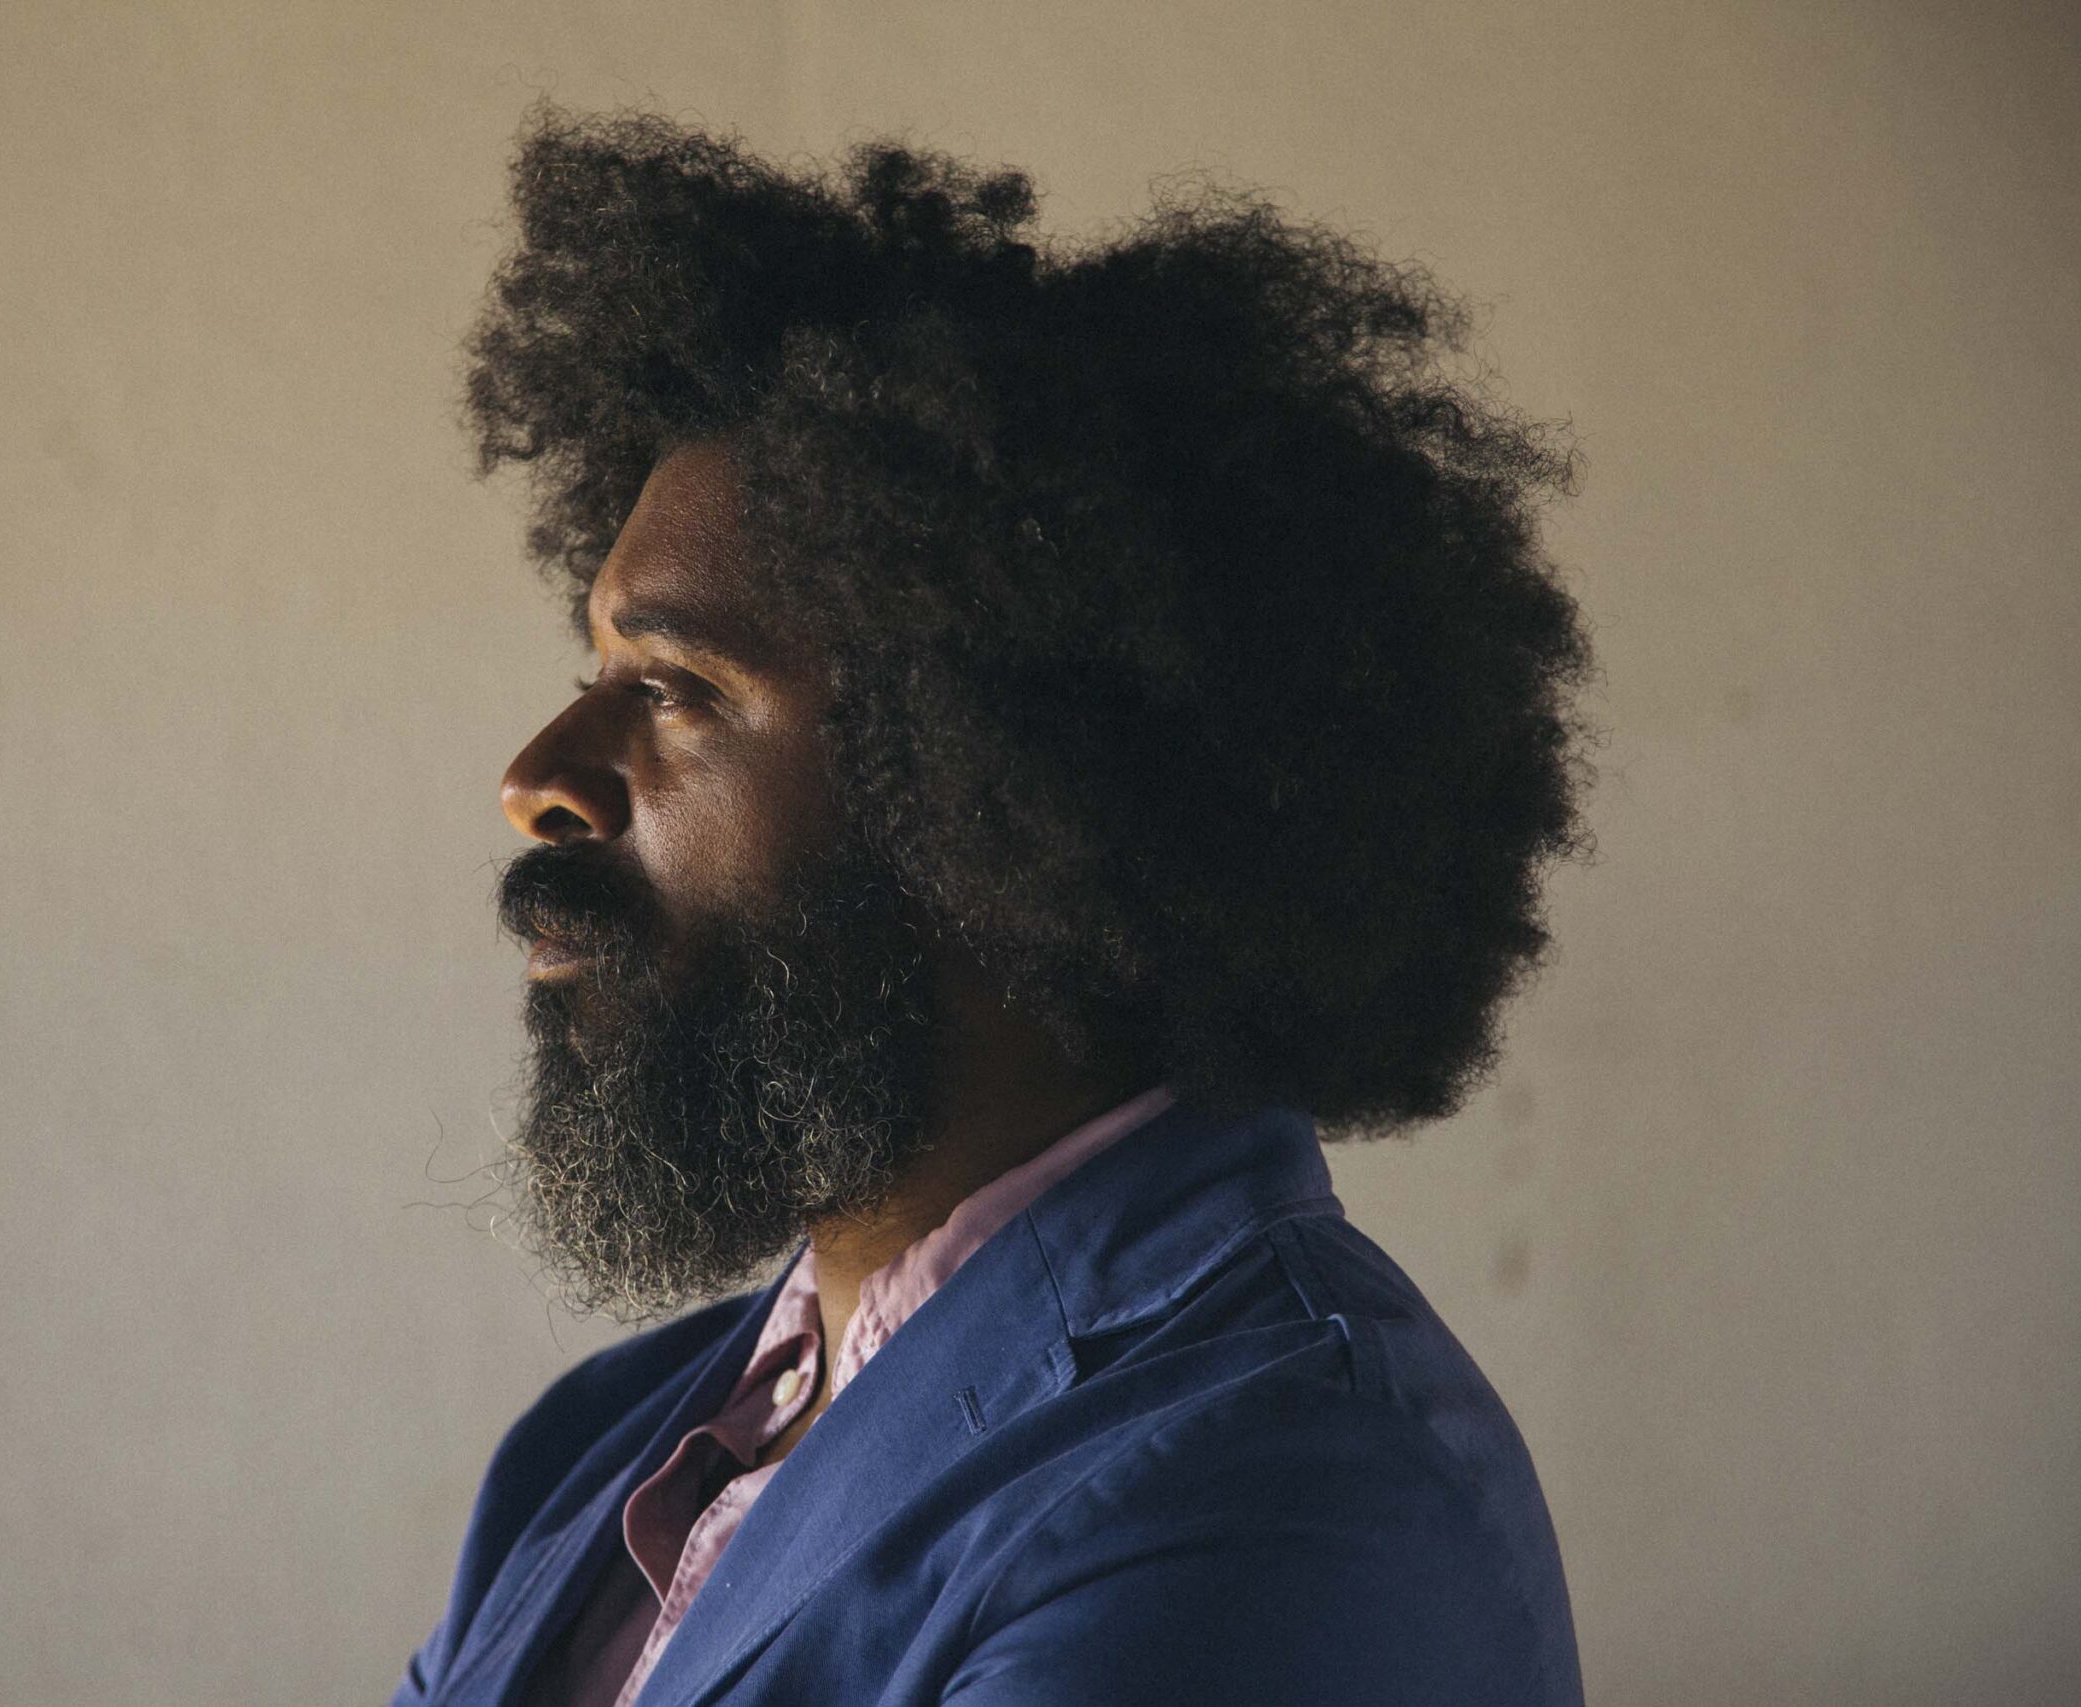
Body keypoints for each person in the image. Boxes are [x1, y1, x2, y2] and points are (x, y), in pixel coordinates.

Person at [391, 98, 1594, 1706]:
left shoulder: (1280, 1492)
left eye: (671, 687)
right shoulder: (589, 1459)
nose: (537, 777)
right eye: (591, 671)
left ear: (998, 784)